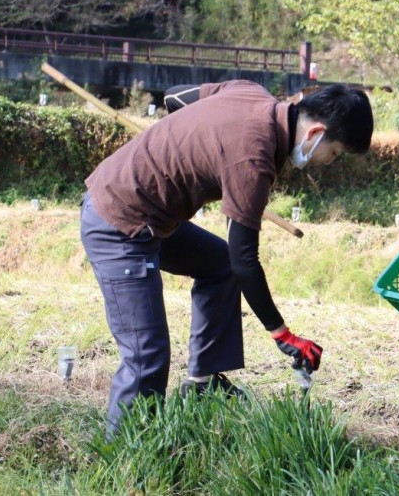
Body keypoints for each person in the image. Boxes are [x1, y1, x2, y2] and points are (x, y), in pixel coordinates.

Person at [80, 79, 373, 433]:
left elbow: (174, 96)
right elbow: (245, 260)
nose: (328, 162)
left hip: (154, 218)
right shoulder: (254, 158)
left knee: (218, 265)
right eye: (336, 153)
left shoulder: (249, 92)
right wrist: (282, 333)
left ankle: (202, 382)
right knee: (147, 356)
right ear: (315, 132)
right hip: (119, 220)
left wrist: (200, 143)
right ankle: (125, 455)